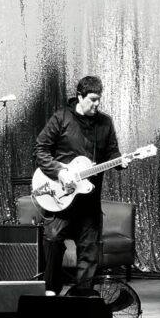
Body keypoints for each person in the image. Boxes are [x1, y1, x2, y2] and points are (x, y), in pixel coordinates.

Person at [34, 75, 131, 295]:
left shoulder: (105, 123)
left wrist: (121, 161)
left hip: (88, 202)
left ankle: (83, 299)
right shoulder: (61, 118)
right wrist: (60, 173)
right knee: (53, 242)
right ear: (80, 96)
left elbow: (112, 153)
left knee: (89, 253)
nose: (97, 104)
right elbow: (40, 150)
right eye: (93, 99)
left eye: (99, 99)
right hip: (60, 199)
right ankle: (50, 294)